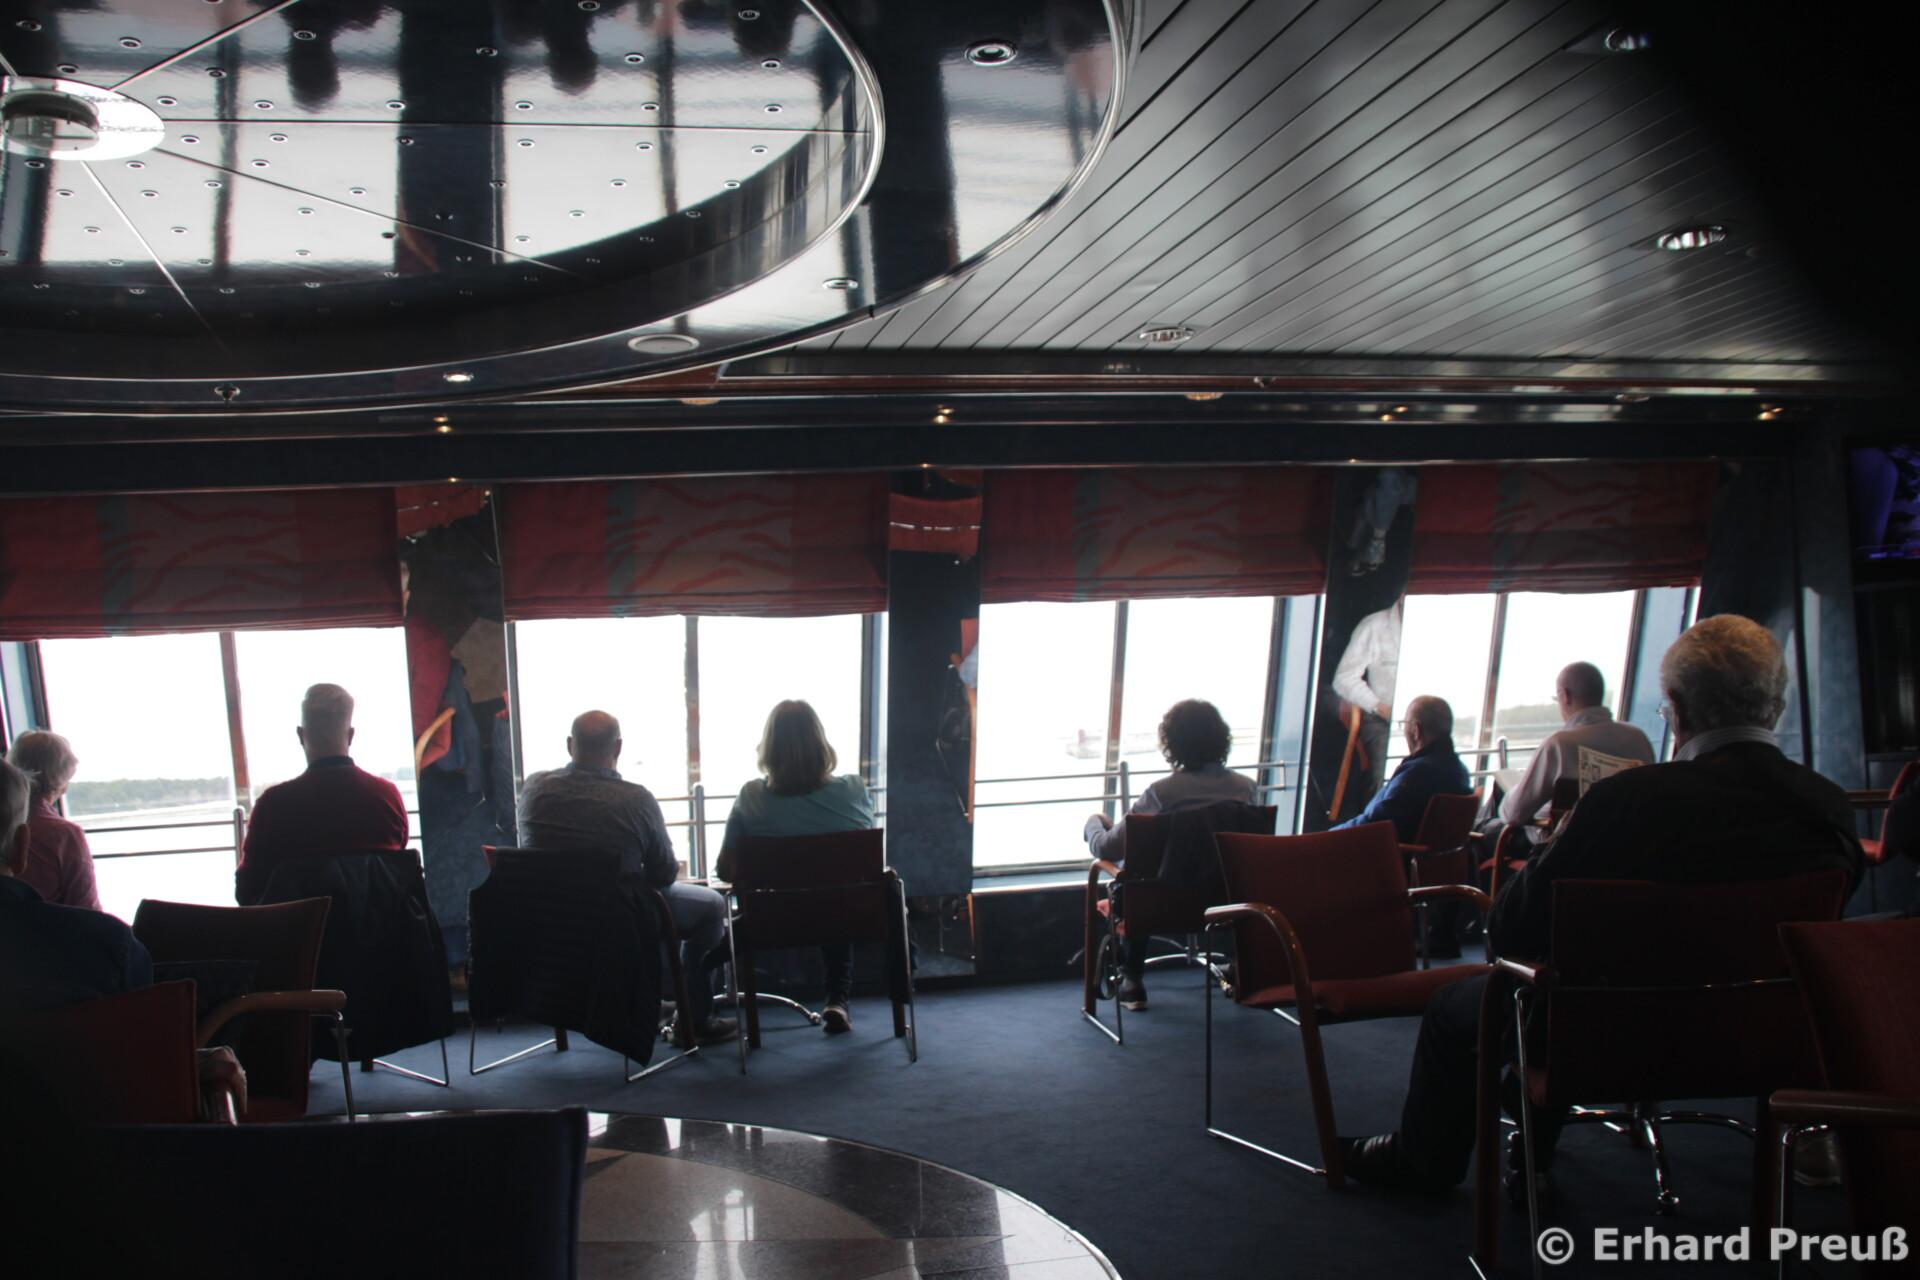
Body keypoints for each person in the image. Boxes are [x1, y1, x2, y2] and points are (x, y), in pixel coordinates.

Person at [1340, 615, 1864, 1193]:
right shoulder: (1828, 807)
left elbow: (1511, 930)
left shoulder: (1625, 803)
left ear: (1678, 708)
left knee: (1460, 1006)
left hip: (1604, 1034)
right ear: (1775, 706)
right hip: (1760, 1039)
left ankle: (1424, 1164)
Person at [517, 710, 735, 1044]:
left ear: (570, 745)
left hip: (551, 921)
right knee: (711, 905)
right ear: (618, 747)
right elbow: (664, 873)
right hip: (618, 921)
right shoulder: (636, 800)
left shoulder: (534, 789)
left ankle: (644, 1005)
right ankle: (694, 1020)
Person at [715, 700, 876, 1034]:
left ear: (768, 747)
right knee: (834, 894)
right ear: (821, 742)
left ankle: (693, 1009)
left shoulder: (751, 796)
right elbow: (864, 860)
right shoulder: (853, 789)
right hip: (850, 917)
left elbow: (726, 870)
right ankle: (837, 1000)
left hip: (772, 922)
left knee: (820, 897)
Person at [1084, 699, 1255, 1012]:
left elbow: (1108, 848)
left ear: (1172, 743)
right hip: (1228, 903)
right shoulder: (1246, 790)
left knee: (1135, 879)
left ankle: (1132, 980)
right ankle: (1240, 967)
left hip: (1160, 907)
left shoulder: (1162, 793)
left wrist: (1094, 825)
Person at [235, 684, 409, 905]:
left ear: (301, 735)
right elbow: (397, 873)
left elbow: (247, 892)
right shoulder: (387, 796)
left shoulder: (273, 806)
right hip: (384, 926)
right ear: (351, 736)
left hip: (303, 928)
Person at [1488, 662, 1654, 847]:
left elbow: (1514, 814)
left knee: (1489, 829)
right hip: (1623, 846)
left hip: (1559, 847)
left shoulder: (1559, 744)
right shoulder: (1639, 739)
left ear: (1565, 696)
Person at [1331, 695, 1472, 843]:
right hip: (1426, 855)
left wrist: (1329, 836)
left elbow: (1375, 823)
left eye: (1404, 724)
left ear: (1416, 730)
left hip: (1385, 853)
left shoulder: (1417, 775)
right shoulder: (1460, 771)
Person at [5, 730, 102, 911]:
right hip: (42, 927)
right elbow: (87, 910)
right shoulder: (63, 834)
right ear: (63, 782)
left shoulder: (7, 822)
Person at [1330, 596, 1403, 812]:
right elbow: (1344, 678)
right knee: (1383, 772)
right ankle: (1373, 824)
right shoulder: (1374, 625)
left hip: (1424, 716)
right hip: (1381, 717)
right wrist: (1380, 707)